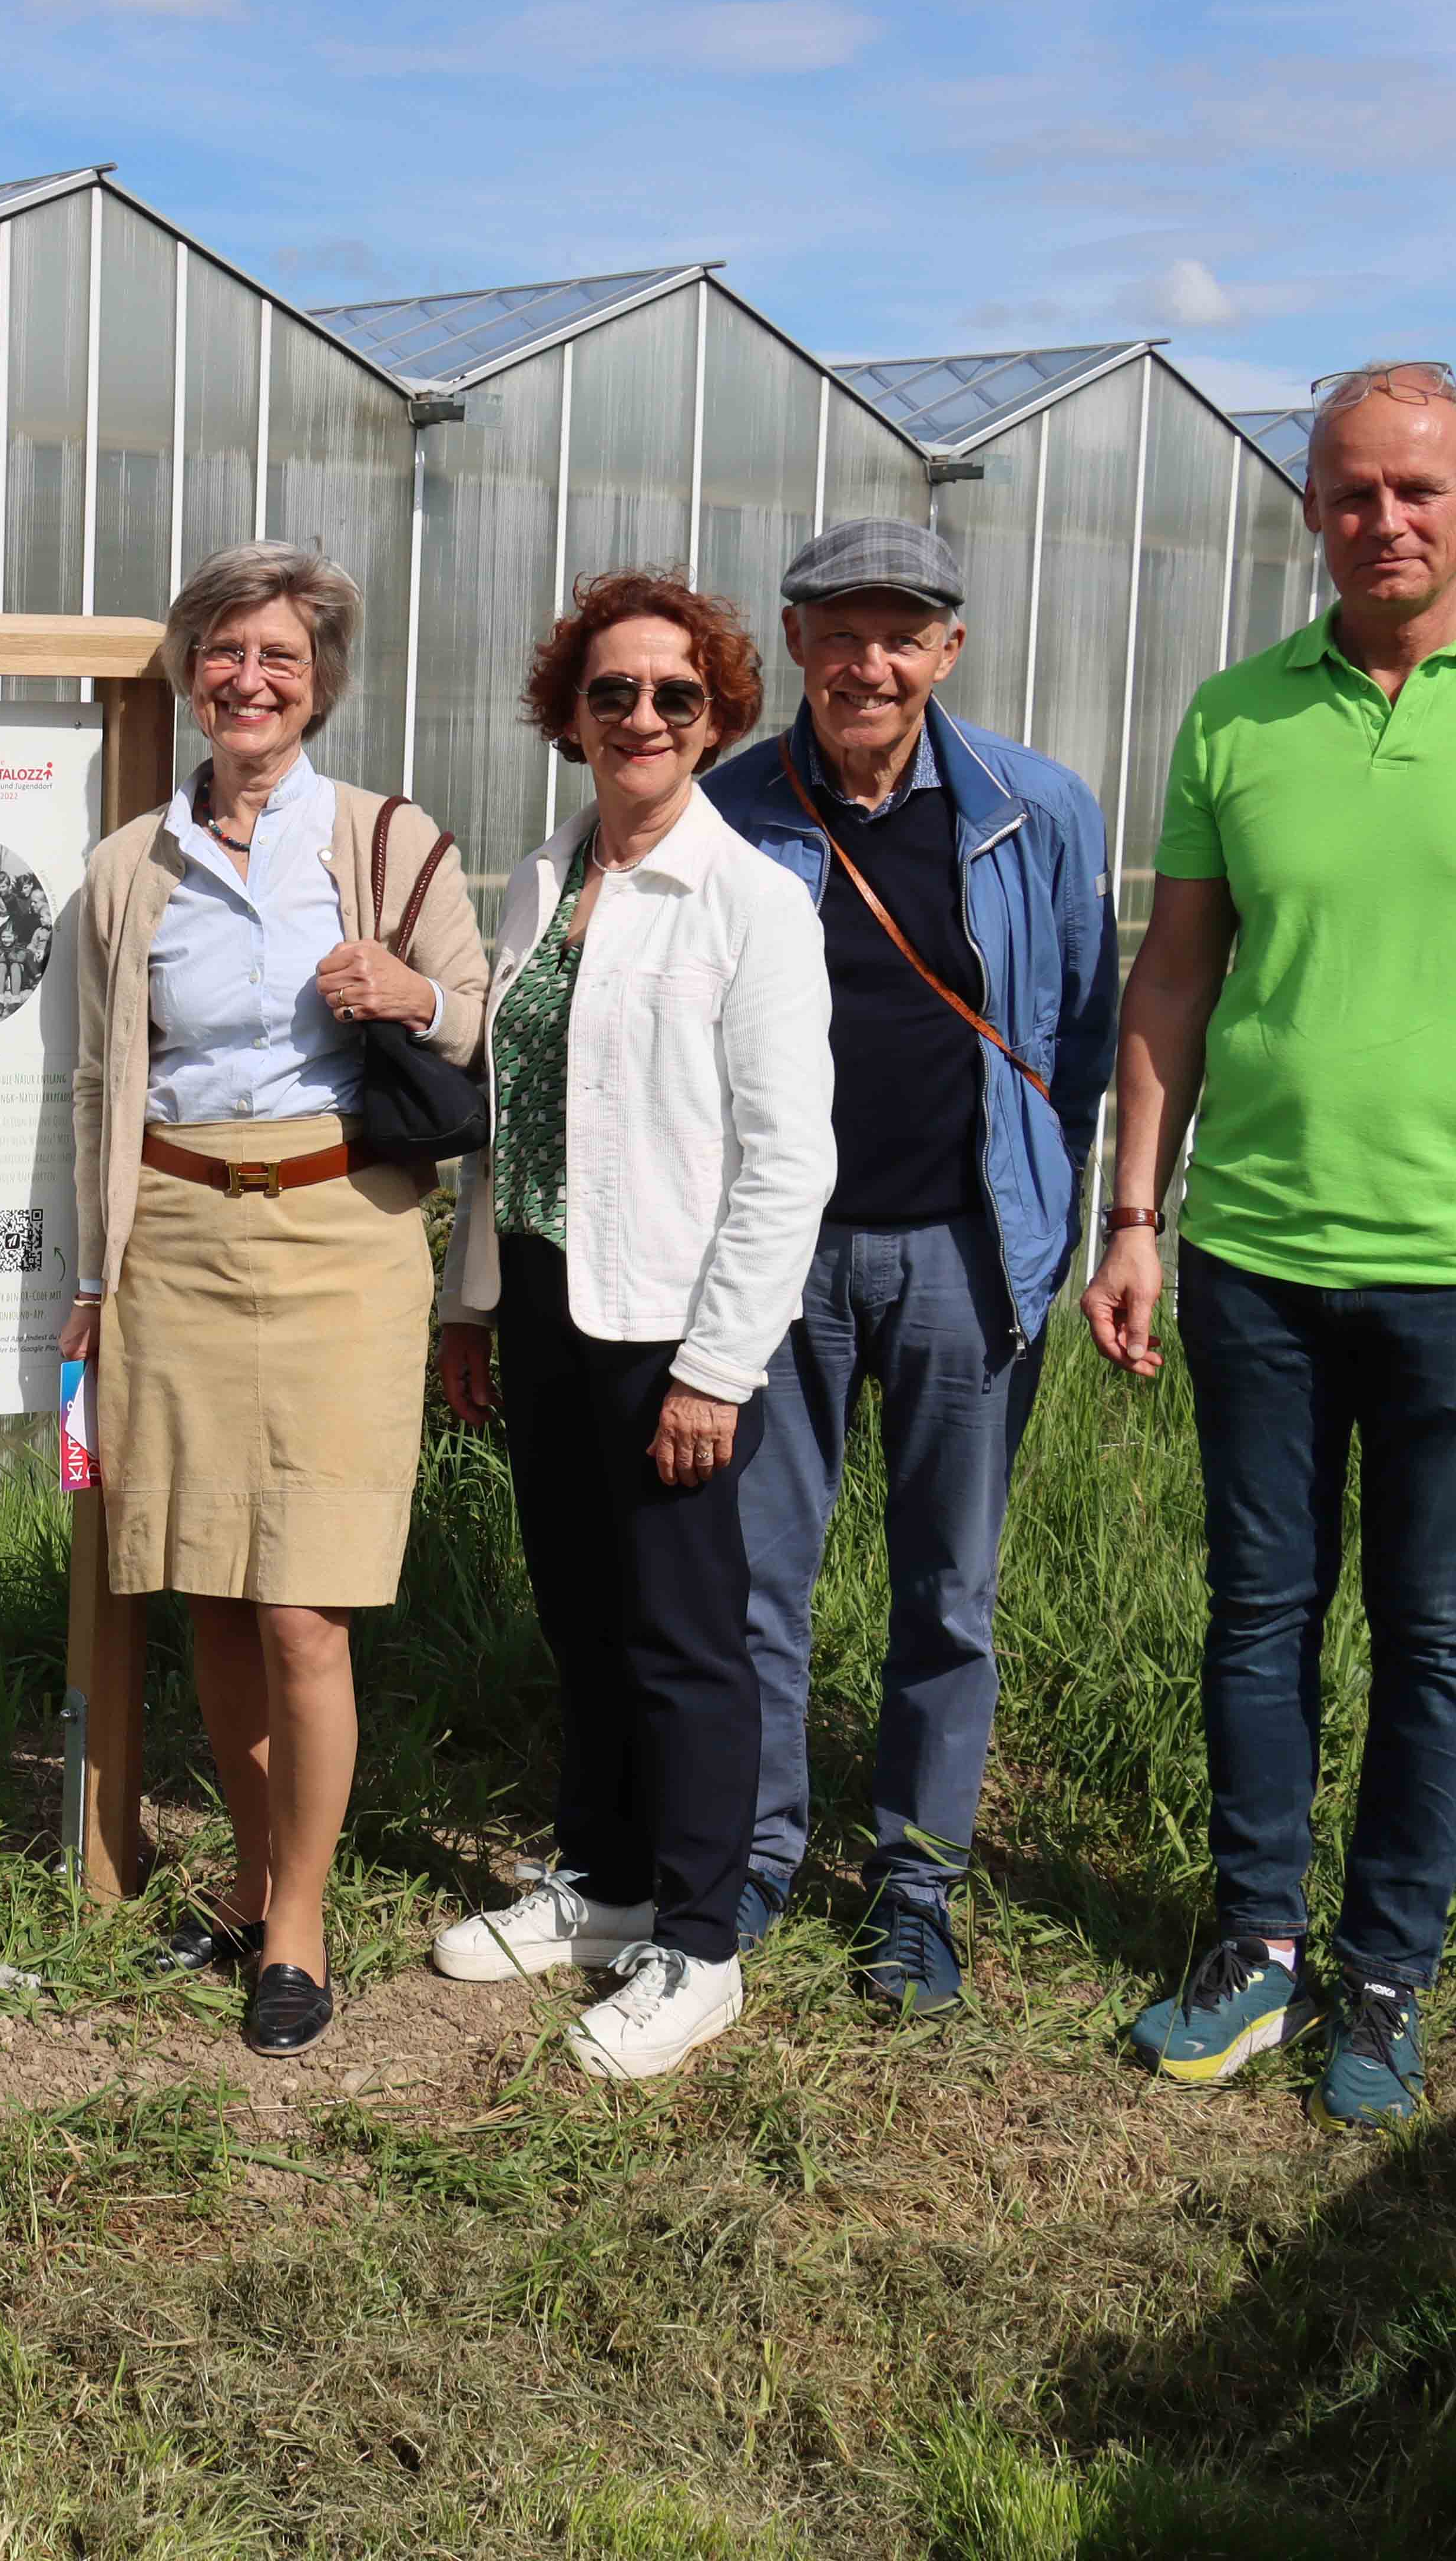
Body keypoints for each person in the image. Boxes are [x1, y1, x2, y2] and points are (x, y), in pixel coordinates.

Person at [1083, 362, 1456, 2133]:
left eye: (1418, 487)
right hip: (1252, 1252)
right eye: (1351, 492)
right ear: (1310, 508)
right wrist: (1135, 1214)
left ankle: (1388, 1966)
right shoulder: (1235, 714)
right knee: (1257, 1608)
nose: (1385, 519)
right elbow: (1174, 974)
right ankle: (1257, 1940)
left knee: (1436, 1631)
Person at [64, 540, 491, 2057]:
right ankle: (252, 1885)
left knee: (305, 1601)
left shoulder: (382, 841)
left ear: (319, 687)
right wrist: (89, 1271)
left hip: (340, 1234)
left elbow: (483, 1020)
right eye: (225, 652)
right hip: (174, 1228)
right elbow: (97, 1077)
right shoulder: (133, 866)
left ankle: (297, 1922)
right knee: (209, 1584)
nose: (250, 679)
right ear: (189, 672)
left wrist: (407, 994)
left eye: (281, 660)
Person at [699, 518, 1116, 2013]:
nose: (866, 661)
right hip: (775, 1255)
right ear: (795, 643)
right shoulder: (731, 807)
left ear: (946, 649)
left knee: (950, 1582)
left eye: (900, 633)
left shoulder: (1030, 810)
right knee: (759, 1570)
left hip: (961, 1248)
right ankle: (749, 1855)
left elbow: (1077, 1027)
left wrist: (1050, 1210)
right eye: (837, 630)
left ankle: (916, 1882)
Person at [431, 570, 833, 2081]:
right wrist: (470, 1296)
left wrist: (717, 1365)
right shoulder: (544, 880)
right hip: (546, 1293)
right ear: (570, 715)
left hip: (667, 1323)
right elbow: (506, 1114)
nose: (643, 716)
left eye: (676, 694)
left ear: (720, 714)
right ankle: (603, 1883)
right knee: (580, 1608)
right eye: (612, 692)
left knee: (683, 1635)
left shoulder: (751, 903)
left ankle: (704, 1937)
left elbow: (789, 1156)